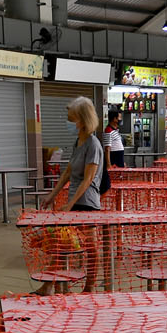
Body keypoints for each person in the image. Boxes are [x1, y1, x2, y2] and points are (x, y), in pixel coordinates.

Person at [37, 96, 104, 294]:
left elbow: (88, 179)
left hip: (87, 205)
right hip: (74, 202)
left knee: (90, 247)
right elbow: (68, 172)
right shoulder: (79, 141)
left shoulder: (93, 145)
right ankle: (49, 285)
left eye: (71, 118)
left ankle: (89, 286)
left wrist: (71, 204)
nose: (68, 122)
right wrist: (53, 195)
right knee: (61, 243)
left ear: (83, 120)